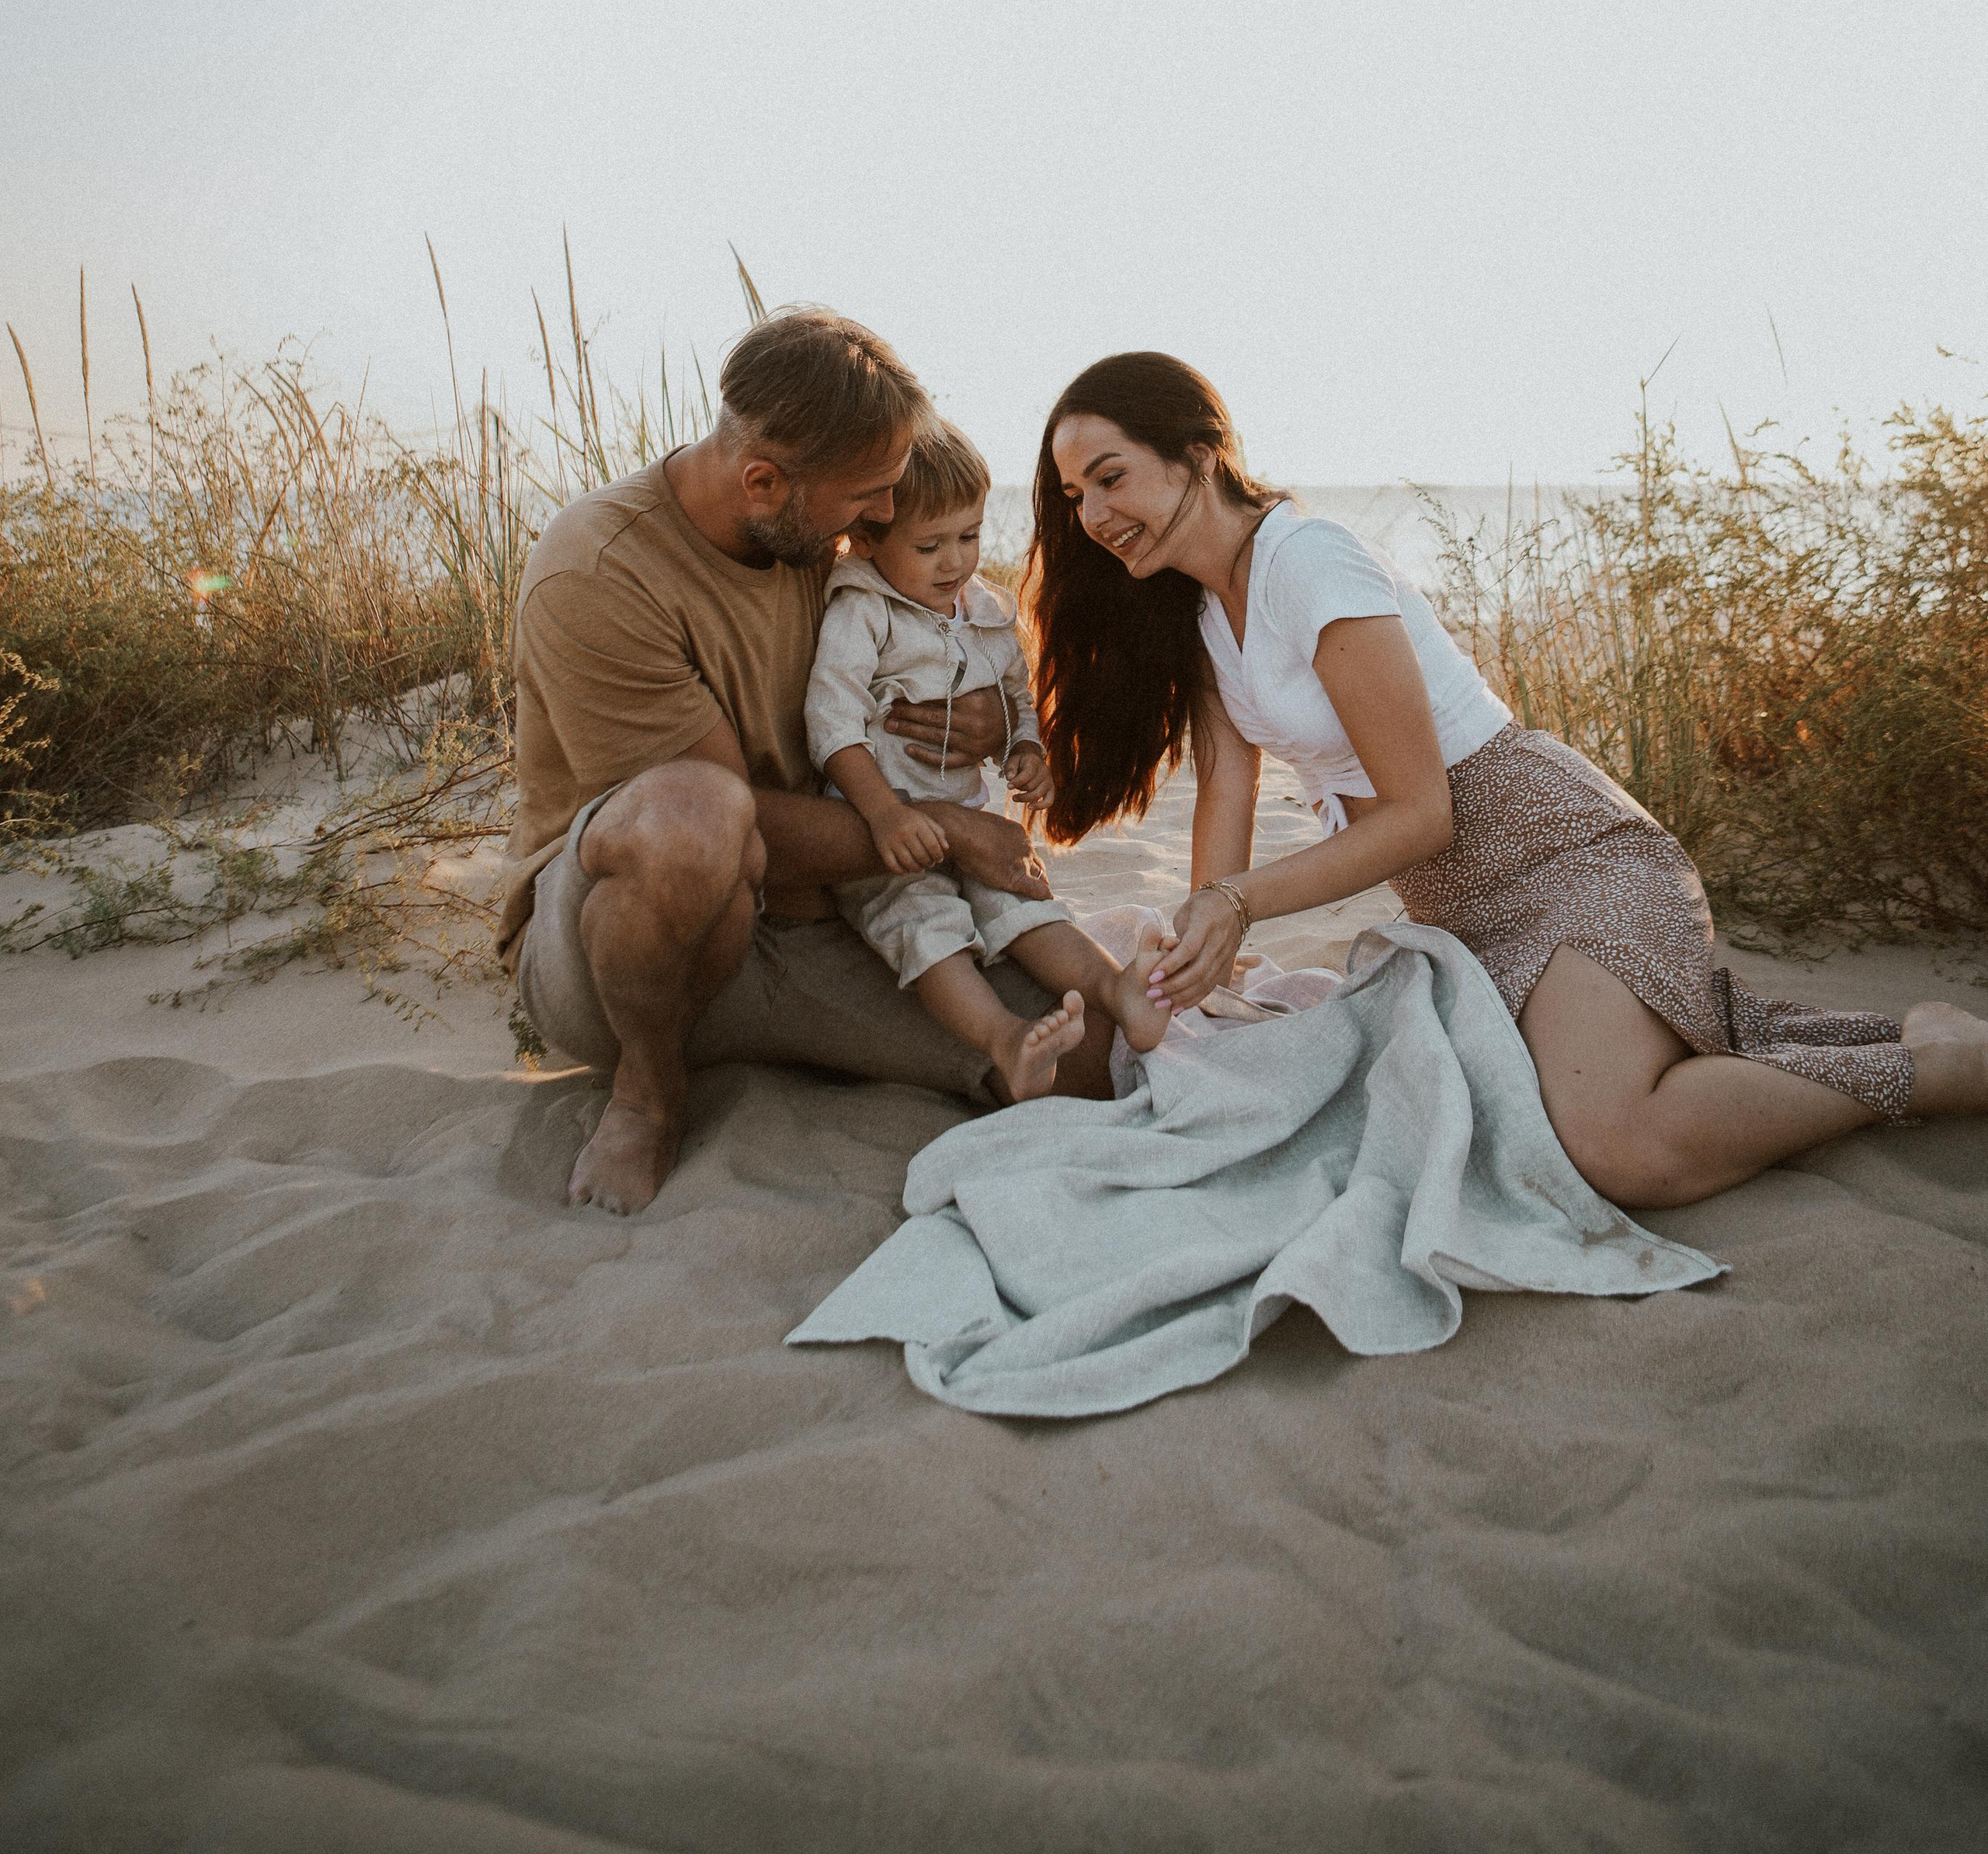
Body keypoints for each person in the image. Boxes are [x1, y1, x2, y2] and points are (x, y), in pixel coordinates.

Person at [1028, 351, 1988, 1211]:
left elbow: (1421, 814)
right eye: (1075, 495)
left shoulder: (1307, 560)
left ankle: (1936, 1072)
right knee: (1551, 1103)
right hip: (1462, 912)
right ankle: (1888, 1036)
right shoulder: (1199, 618)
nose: (1095, 515)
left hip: (1565, 857)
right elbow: (1227, 797)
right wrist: (1203, 949)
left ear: (1197, 451)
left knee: (1618, 1146)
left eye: (1109, 477)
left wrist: (1238, 905)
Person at [499, 307, 1115, 1218]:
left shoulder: (829, 543)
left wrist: (979, 720)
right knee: (696, 818)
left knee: (1085, 1059)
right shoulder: (597, 572)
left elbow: (934, 641)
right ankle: (648, 1089)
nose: (882, 516)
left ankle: (772, 1049)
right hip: (630, 945)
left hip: (827, 914)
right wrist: (948, 833)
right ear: (762, 480)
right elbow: (744, 829)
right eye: (867, 495)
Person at [807, 416, 1170, 1101]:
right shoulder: (864, 612)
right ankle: (1003, 1040)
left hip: (974, 817)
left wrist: (1025, 746)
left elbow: (1016, 693)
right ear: (866, 539)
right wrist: (882, 813)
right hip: (892, 833)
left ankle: (1114, 988)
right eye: (929, 545)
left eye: (969, 537)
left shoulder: (985, 611)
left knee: (1027, 907)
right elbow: (831, 721)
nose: (954, 562)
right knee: (927, 928)